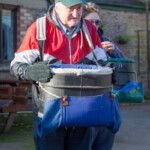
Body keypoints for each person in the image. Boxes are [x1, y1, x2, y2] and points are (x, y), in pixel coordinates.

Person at [10, 0, 118, 150]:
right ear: (57, 5)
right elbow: (16, 66)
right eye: (70, 8)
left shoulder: (90, 29)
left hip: (84, 112)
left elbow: (102, 64)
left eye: (79, 8)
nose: (76, 14)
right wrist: (30, 71)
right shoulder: (39, 29)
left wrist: (110, 71)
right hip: (49, 113)